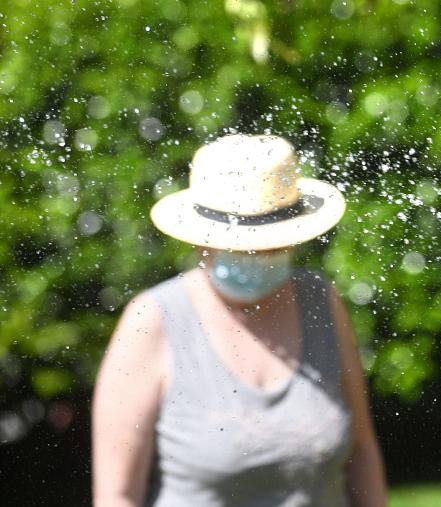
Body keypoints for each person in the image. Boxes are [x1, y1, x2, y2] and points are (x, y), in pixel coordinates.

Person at [91, 133, 388, 507]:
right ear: (204, 242)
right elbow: (117, 496)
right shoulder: (152, 321)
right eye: (243, 245)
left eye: (271, 244)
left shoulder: (320, 301)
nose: (260, 254)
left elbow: (362, 452)